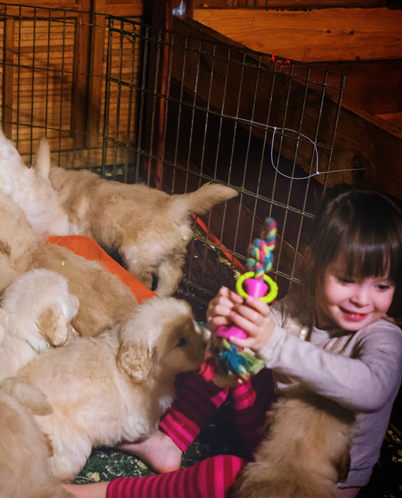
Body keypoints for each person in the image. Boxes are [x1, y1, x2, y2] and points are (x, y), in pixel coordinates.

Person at [64, 184, 402, 498]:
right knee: (223, 351)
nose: (362, 299)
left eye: (381, 286)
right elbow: (249, 337)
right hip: (269, 438)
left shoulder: (383, 337)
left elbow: (370, 389)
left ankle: (106, 493)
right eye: (346, 280)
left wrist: (275, 345)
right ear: (313, 263)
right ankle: (171, 438)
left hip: (312, 479)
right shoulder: (297, 309)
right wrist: (227, 321)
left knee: (224, 473)